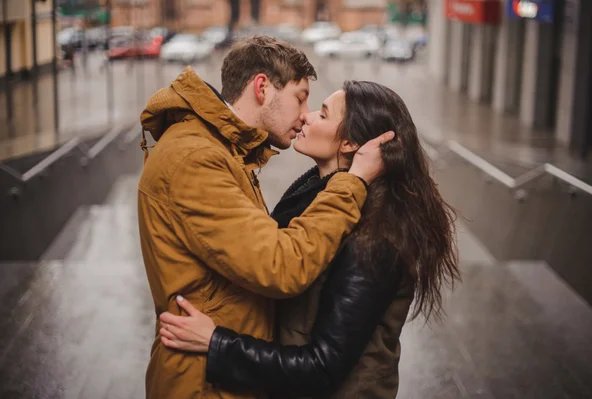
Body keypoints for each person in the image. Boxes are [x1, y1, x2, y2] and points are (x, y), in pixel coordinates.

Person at [157, 81, 461, 398]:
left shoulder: (375, 237)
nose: (307, 117)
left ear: (349, 143)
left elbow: (321, 367)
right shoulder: (319, 200)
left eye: (323, 114)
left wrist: (216, 343)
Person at [138, 37, 392, 399]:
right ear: (262, 87)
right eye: (300, 97)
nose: (304, 114)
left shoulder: (223, 151)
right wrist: (351, 183)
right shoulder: (195, 159)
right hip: (204, 384)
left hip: (221, 377)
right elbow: (280, 265)